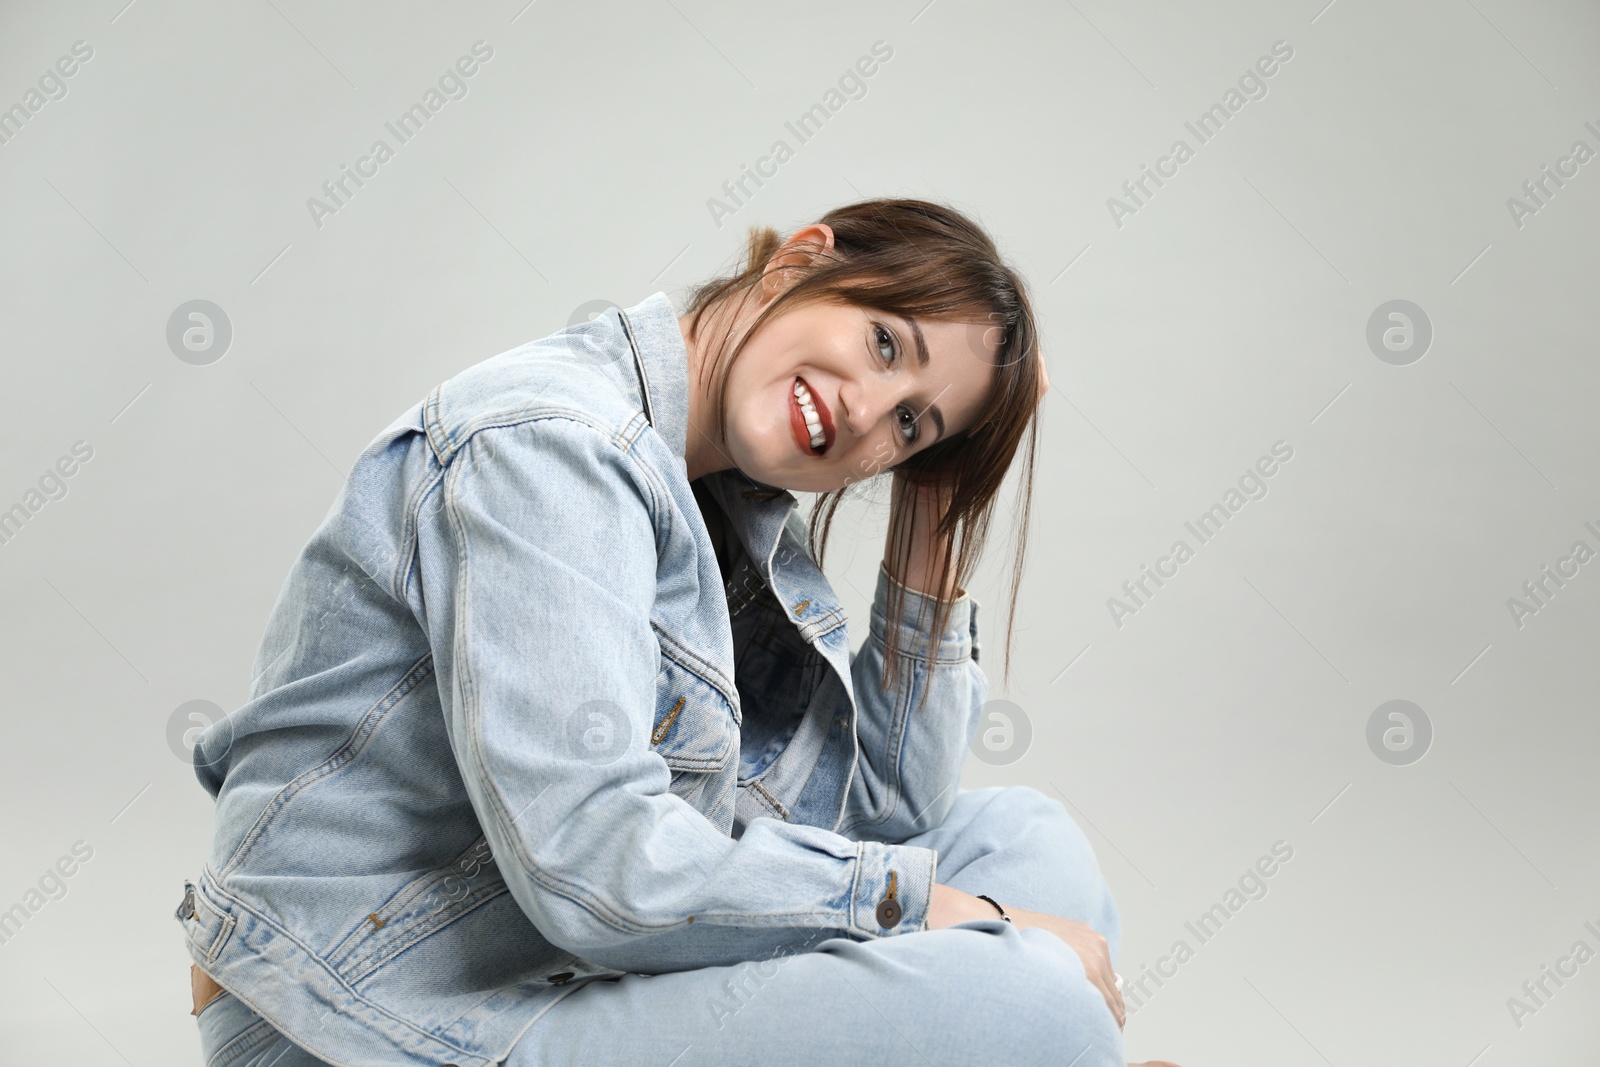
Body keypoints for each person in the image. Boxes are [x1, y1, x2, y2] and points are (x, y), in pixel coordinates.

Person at [178, 197, 1181, 1066]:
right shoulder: (553, 446)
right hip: (378, 1019)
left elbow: (888, 811)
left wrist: (938, 504)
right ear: (801, 260)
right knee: (1033, 994)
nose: (867, 411)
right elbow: (594, 869)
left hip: (556, 978)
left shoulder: (724, 502)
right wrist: (928, 910)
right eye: (884, 343)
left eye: (911, 425)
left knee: (1025, 844)